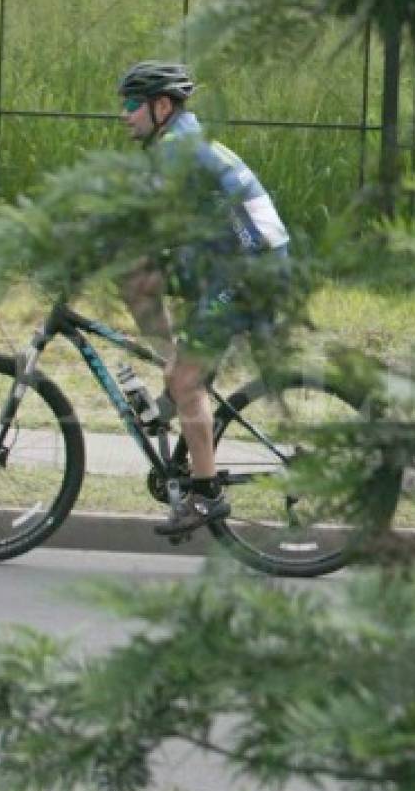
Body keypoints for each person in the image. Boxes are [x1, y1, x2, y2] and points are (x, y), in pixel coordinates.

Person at [116, 60, 291, 537]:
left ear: (162, 106)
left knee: (187, 376)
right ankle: (174, 384)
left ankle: (206, 494)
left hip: (248, 268)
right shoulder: (179, 144)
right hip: (226, 260)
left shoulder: (176, 149)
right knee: (135, 276)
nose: (124, 114)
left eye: (132, 104)